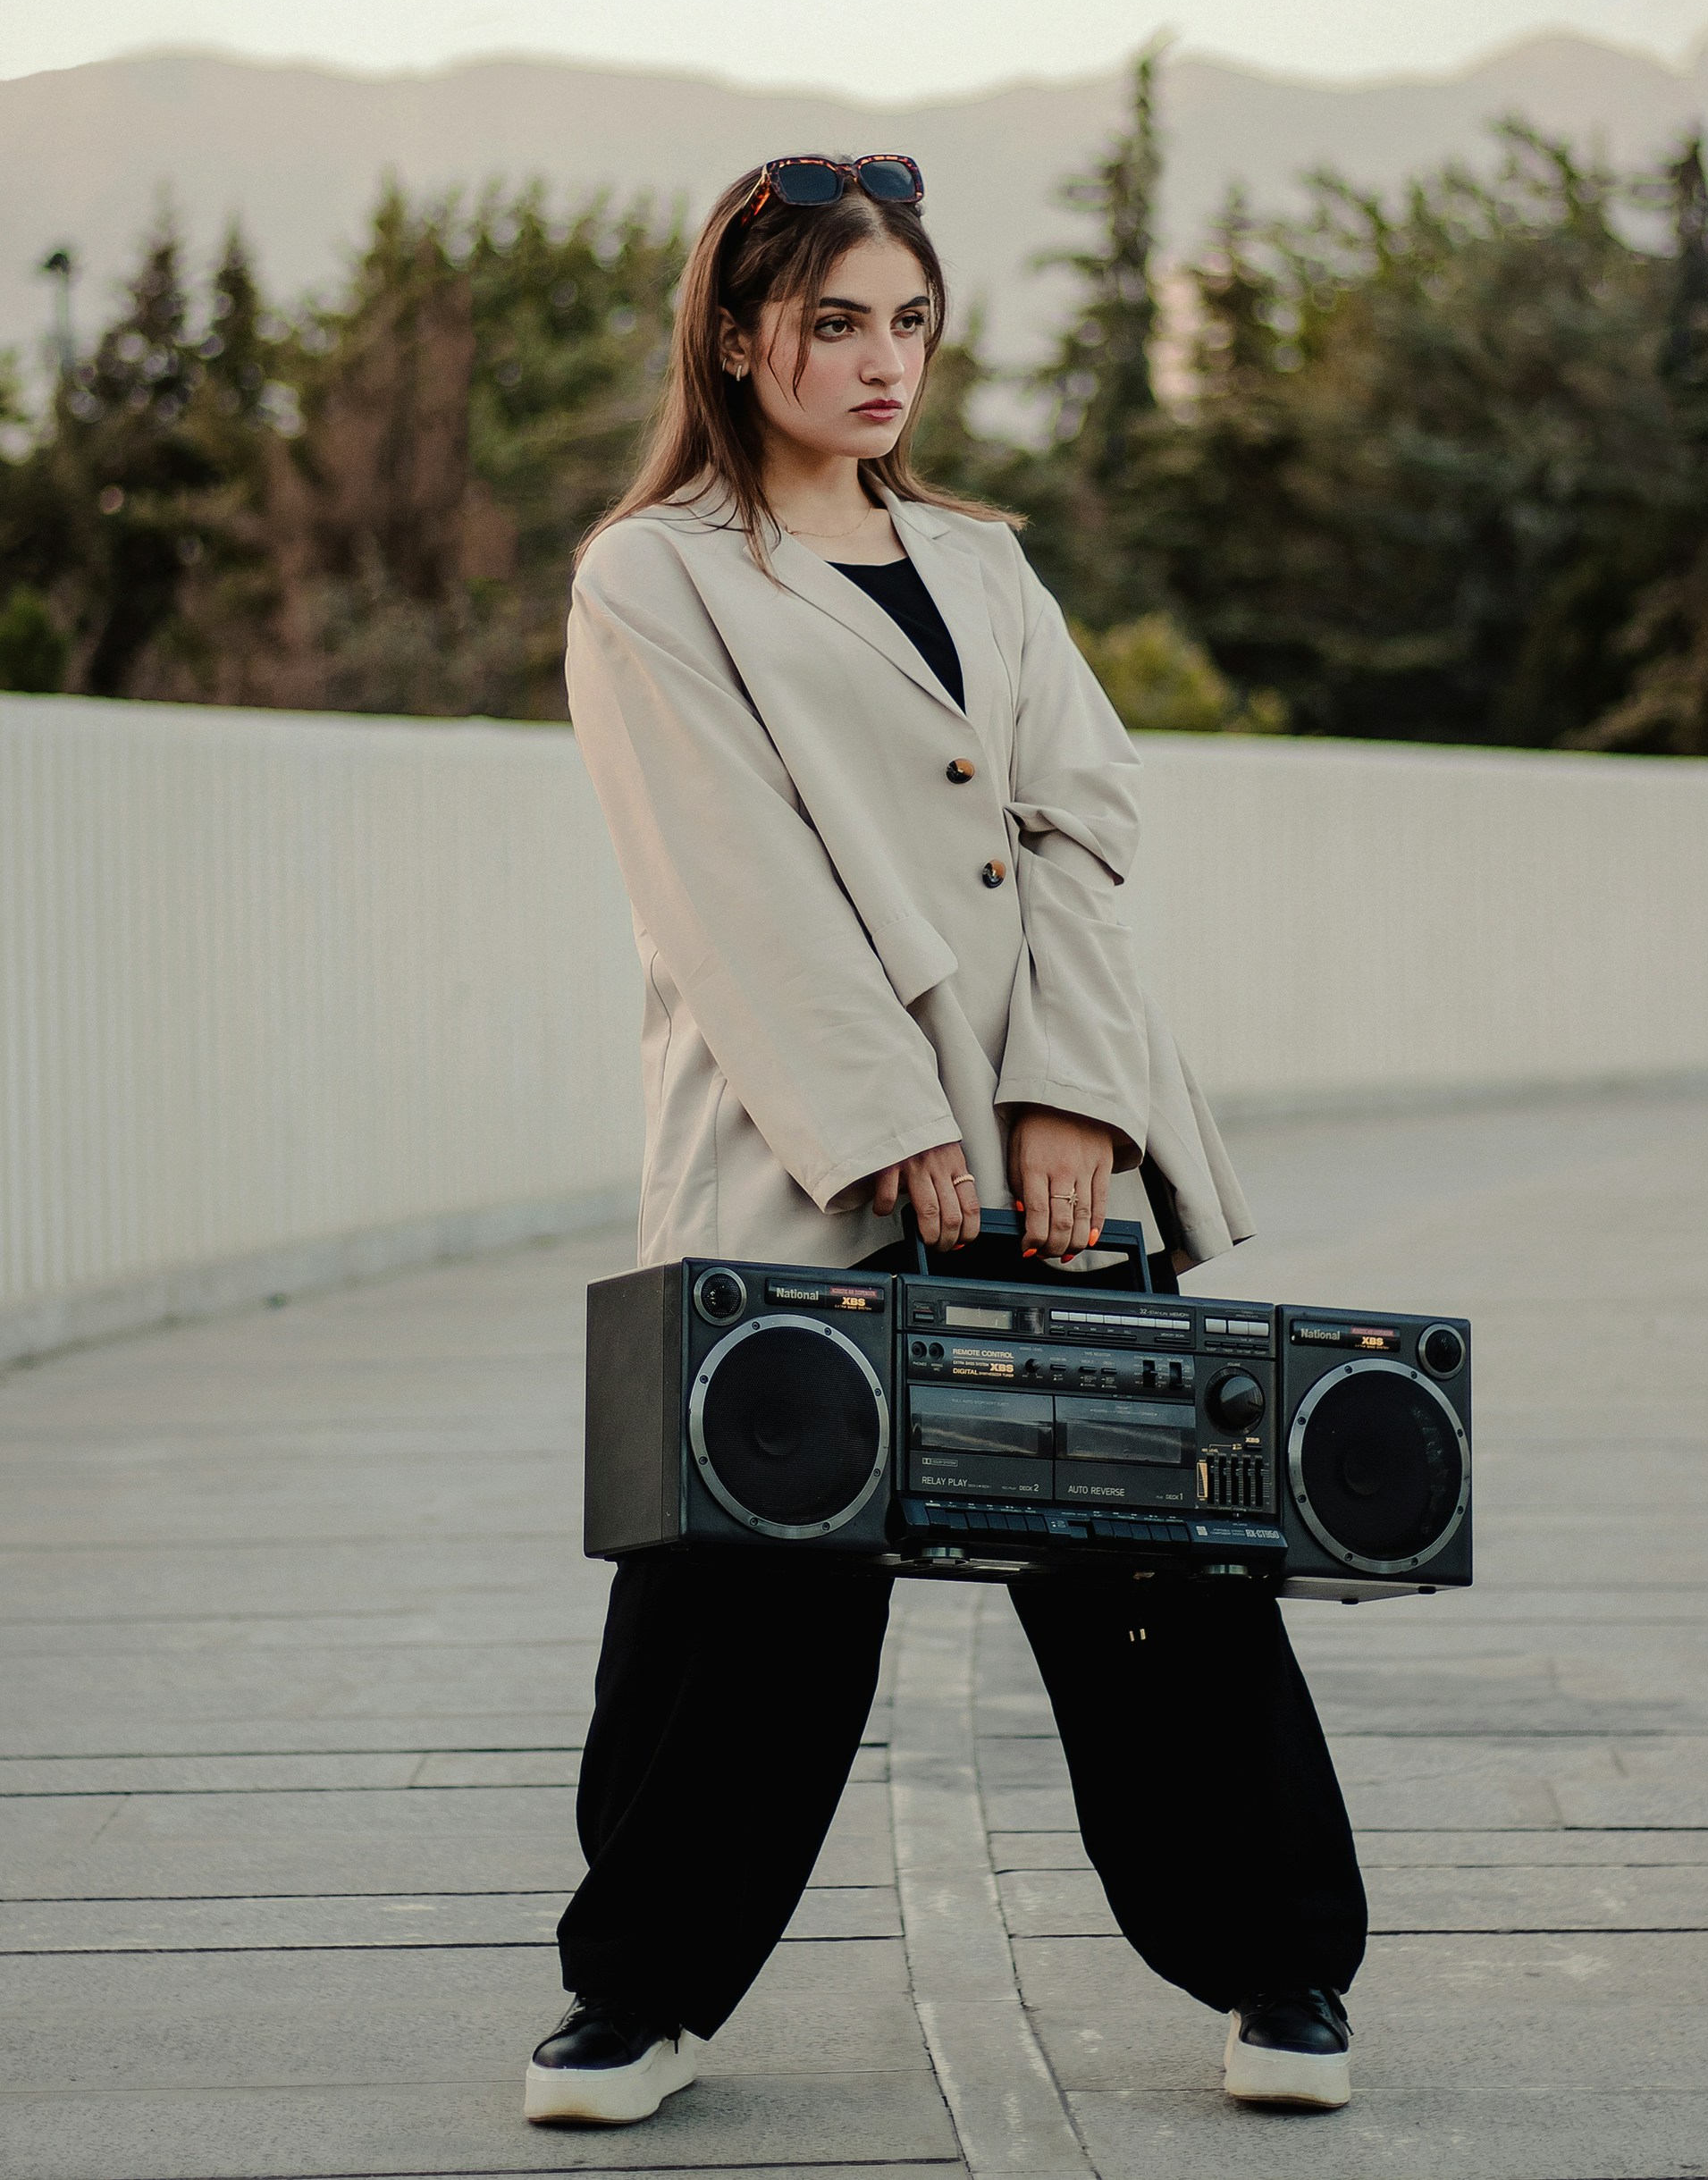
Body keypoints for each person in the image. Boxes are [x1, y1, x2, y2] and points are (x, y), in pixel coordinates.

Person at [526, 153, 1367, 2129]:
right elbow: (724, 880)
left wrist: (1070, 1091)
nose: (879, 357)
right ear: (736, 337)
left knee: (1158, 1556)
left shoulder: (983, 560)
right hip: (807, 1160)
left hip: (1066, 1151)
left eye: (906, 318)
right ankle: (636, 1994)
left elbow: (1086, 817)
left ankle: (1280, 1967)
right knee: (737, 1590)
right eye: (833, 321)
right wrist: (894, 1127)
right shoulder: (653, 576)